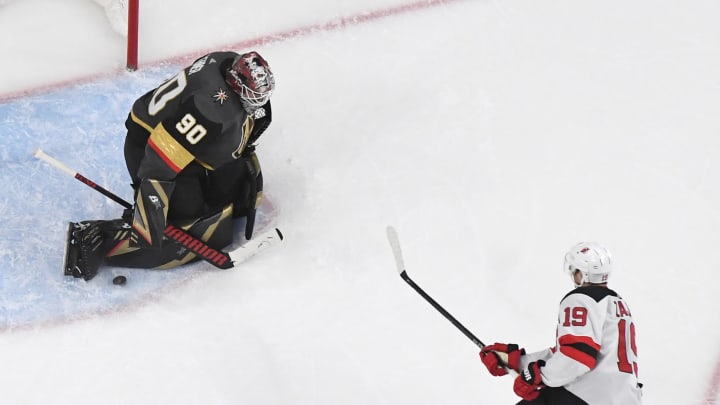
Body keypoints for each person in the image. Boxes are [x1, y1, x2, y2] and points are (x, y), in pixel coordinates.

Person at [63, 50, 275, 280]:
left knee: (233, 189)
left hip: (185, 144)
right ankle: (94, 238)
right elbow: (159, 160)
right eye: (251, 95)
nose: (258, 101)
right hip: (151, 150)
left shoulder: (227, 61)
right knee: (183, 227)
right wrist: (152, 210)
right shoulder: (210, 110)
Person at [478, 242, 643, 404]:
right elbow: (569, 353)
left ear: (582, 273)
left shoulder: (581, 299)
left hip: (587, 396)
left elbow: (577, 357)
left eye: (575, 271)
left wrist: (536, 376)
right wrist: (517, 362)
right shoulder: (618, 305)